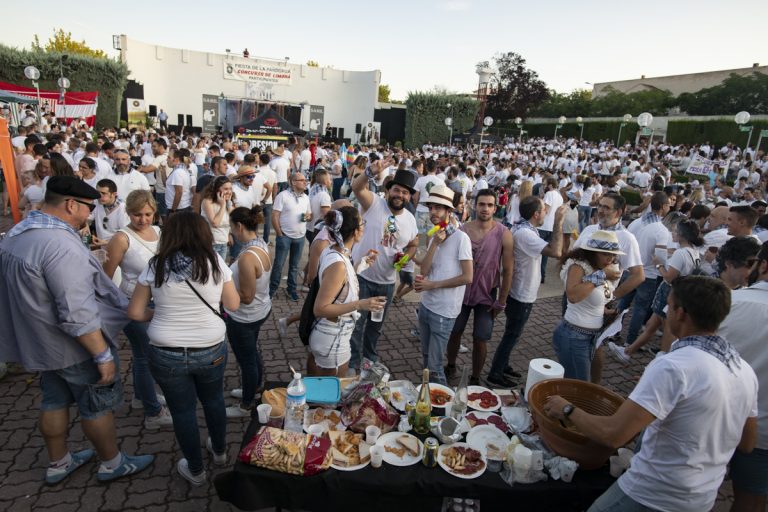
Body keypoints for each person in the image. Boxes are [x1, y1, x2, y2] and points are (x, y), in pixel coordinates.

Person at [544, 276, 758, 512]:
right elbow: (747, 444)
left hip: (653, 493)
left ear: (680, 313)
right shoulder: (744, 370)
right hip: (701, 498)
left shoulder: (673, 366)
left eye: (668, 307)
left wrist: (566, 408)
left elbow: (612, 434)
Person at [0, 176, 154, 484]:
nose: (89, 215)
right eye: (88, 208)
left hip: (39, 343)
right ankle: (111, 462)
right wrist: (101, 354)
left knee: (53, 400)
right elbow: (76, 311)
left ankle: (59, 461)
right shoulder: (59, 245)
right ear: (72, 204)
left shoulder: (17, 233)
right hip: (73, 346)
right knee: (96, 404)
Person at [127, 211, 239, 486]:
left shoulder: (156, 266)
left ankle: (196, 469)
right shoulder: (215, 263)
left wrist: (161, 314)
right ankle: (221, 451)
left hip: (166, 351)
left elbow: (135, 312)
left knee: (183, 411)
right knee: (214, 400)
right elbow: (233, 305)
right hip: (210, 347)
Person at [102, 190, 172, 429]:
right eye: (137, 214)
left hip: (157, 300)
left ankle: (142, 397)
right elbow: (106, 277)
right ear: (128, 213)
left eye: (148, 214)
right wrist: (116, 305)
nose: (143, 219)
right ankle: (153, 412)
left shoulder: (160, 232)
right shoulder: (122, 238)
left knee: (144, 354)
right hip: (133, 302)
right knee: (145, 357)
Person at [487, 196, 567, 387]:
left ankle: (502, 365)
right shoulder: (525, 234)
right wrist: (558, 223)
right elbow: (556, 251)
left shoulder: (525, 229)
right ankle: (495, 373)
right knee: (512, 334)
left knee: (513, 333)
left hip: (521, 291)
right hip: (521, 294)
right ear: (536, 214)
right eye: (544, 210)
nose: (546, 213)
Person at [349, 164, 418, 372]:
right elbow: (357, 188)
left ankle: (369, 359)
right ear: (389, 190)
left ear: (409, 197)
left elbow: (413, 244)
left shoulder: (410, 220)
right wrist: (369, 171)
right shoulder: (374, 204)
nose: (400, 195)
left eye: (405, 192)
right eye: (396, 190)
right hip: (362, 277)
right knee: (357, 324)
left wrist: (405, 258)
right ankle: (353, 363)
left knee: (375, 327)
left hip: (386, 283)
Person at [609, 218, 705, 362]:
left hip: (670, 291)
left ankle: (661, 358)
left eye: (675, 231)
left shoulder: (681, 254)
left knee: (667, 329)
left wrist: (659, 265)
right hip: (679, 291)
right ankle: (628, 351)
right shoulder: (692, 251)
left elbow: (669, 277)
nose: (672, 233)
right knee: (651, 325)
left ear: (681, 235)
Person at [718, 242, 768, 512]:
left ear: (763, 266)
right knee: (751, 499)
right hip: (762, 432)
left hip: (714, 418)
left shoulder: (729, 302)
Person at [445, 189, 514, 385]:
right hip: (462, 292)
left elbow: (508, 270)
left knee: (481, 338)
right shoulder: (463, 230)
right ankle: (450, 365)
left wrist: (502, 301)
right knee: (455, 331)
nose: (485, 208)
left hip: (487, 295)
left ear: (495, 208)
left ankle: (475, 377)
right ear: (474, 205)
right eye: (482, 204)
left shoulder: (504, 234)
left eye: (490, 205)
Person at [309, 208, 386, 376]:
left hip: (331, 336)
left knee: (321, 394)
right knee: (329, 399)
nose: (364, 227)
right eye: (362, 223)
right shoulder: (339, 265)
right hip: (332, 340)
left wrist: (359, 266)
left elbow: (340, 287)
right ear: (355, 231)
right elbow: (320, 308)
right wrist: (361, 304)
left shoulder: (335, 251)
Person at [415, 185, 473, 385]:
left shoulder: (461, 238)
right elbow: (424, 270)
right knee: (425, 358)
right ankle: (426, 395)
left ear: (449, 211)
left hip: (444, 311)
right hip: (426, 306)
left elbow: (467, 277)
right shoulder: (434, 234)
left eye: (438, 208)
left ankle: (442, 407)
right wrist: (435, 244)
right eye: (431, 207)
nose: (433, 212)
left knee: (435, 366)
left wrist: (433, 285)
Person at [554, 231, 623, 380]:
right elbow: (573, 296)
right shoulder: (579, 266)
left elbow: (592, 299)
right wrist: (602, 275)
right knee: (579, 385)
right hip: (575, 336)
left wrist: (605, 311)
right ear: (593, 253)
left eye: (613, 255)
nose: (610, 259)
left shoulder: (602, 268)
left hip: (594, 337)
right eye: (605, 254)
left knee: (589, 382)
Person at [224, 206, 272, 418]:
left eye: (231, 227)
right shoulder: (260, 244)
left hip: (245, 316)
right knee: (251, 352)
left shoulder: (247, 257)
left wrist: (222, 292)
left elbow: (246, 296)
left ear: (239, 226)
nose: (231, 231)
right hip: (259, 310)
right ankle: (254, 387)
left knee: (246, 360)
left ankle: (246, 404)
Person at [625, 192, 671, 345]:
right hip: (648, 274)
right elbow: (661, 256)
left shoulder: (637, 223)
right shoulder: (661, 230)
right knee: (639, 309)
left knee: (623, 304)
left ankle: (611, 332)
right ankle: (630, 341)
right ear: (663, 206)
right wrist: (663, 265)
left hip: (630, 269)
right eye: (669, 205)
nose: (669, 207)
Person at [269, 172, 311, 302]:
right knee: (279, 264)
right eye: (302, 180)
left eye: (306, 180)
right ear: (293, 182)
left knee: (294, 266)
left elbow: (309, 214)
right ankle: (272, 289)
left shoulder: (306, 197)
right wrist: (279, 233)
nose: (305, 182)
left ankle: (291, 290)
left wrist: (308, 217)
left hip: (300, 236)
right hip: (285, 236)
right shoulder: (283, 196)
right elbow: (275, 215)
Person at [201, 175, 234, 261]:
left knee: (220, 271)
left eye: (230, 189)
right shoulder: (208, 201)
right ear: (217, 189)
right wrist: (223, 205)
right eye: (226, 189)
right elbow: (215, 223)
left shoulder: (228, 202)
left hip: (224, 242)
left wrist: (229, 203)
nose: (229, 191)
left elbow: (233, 219)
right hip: (212, 243)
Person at [539, 177, 564, 282]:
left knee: (538, 252)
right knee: (545, 254)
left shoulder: (549, 194)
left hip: (544, 226)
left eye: (545, 184)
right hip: (552, 227)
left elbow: (546, 210)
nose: (544, 186)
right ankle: (542, 275)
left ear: (550, 185)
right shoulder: (560, 196)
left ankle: (539, 275)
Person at [93, 179, 130, 243]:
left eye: (103, 193)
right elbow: (87, 219)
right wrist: (85, 226)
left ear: (114, 194)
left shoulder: (123, 208)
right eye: (98, 192)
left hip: (117, 247)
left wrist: (106, 242)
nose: (99, 196)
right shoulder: (96, 202)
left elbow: (126, 235)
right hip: (101, 246)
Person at [165, 148, 193, 215]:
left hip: (178, 209)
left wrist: (173, 211)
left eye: (169, 157)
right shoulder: (180, 170)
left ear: (176, 160)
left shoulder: (178, 172)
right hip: (180, 208)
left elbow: (179, 192)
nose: (167, 159)